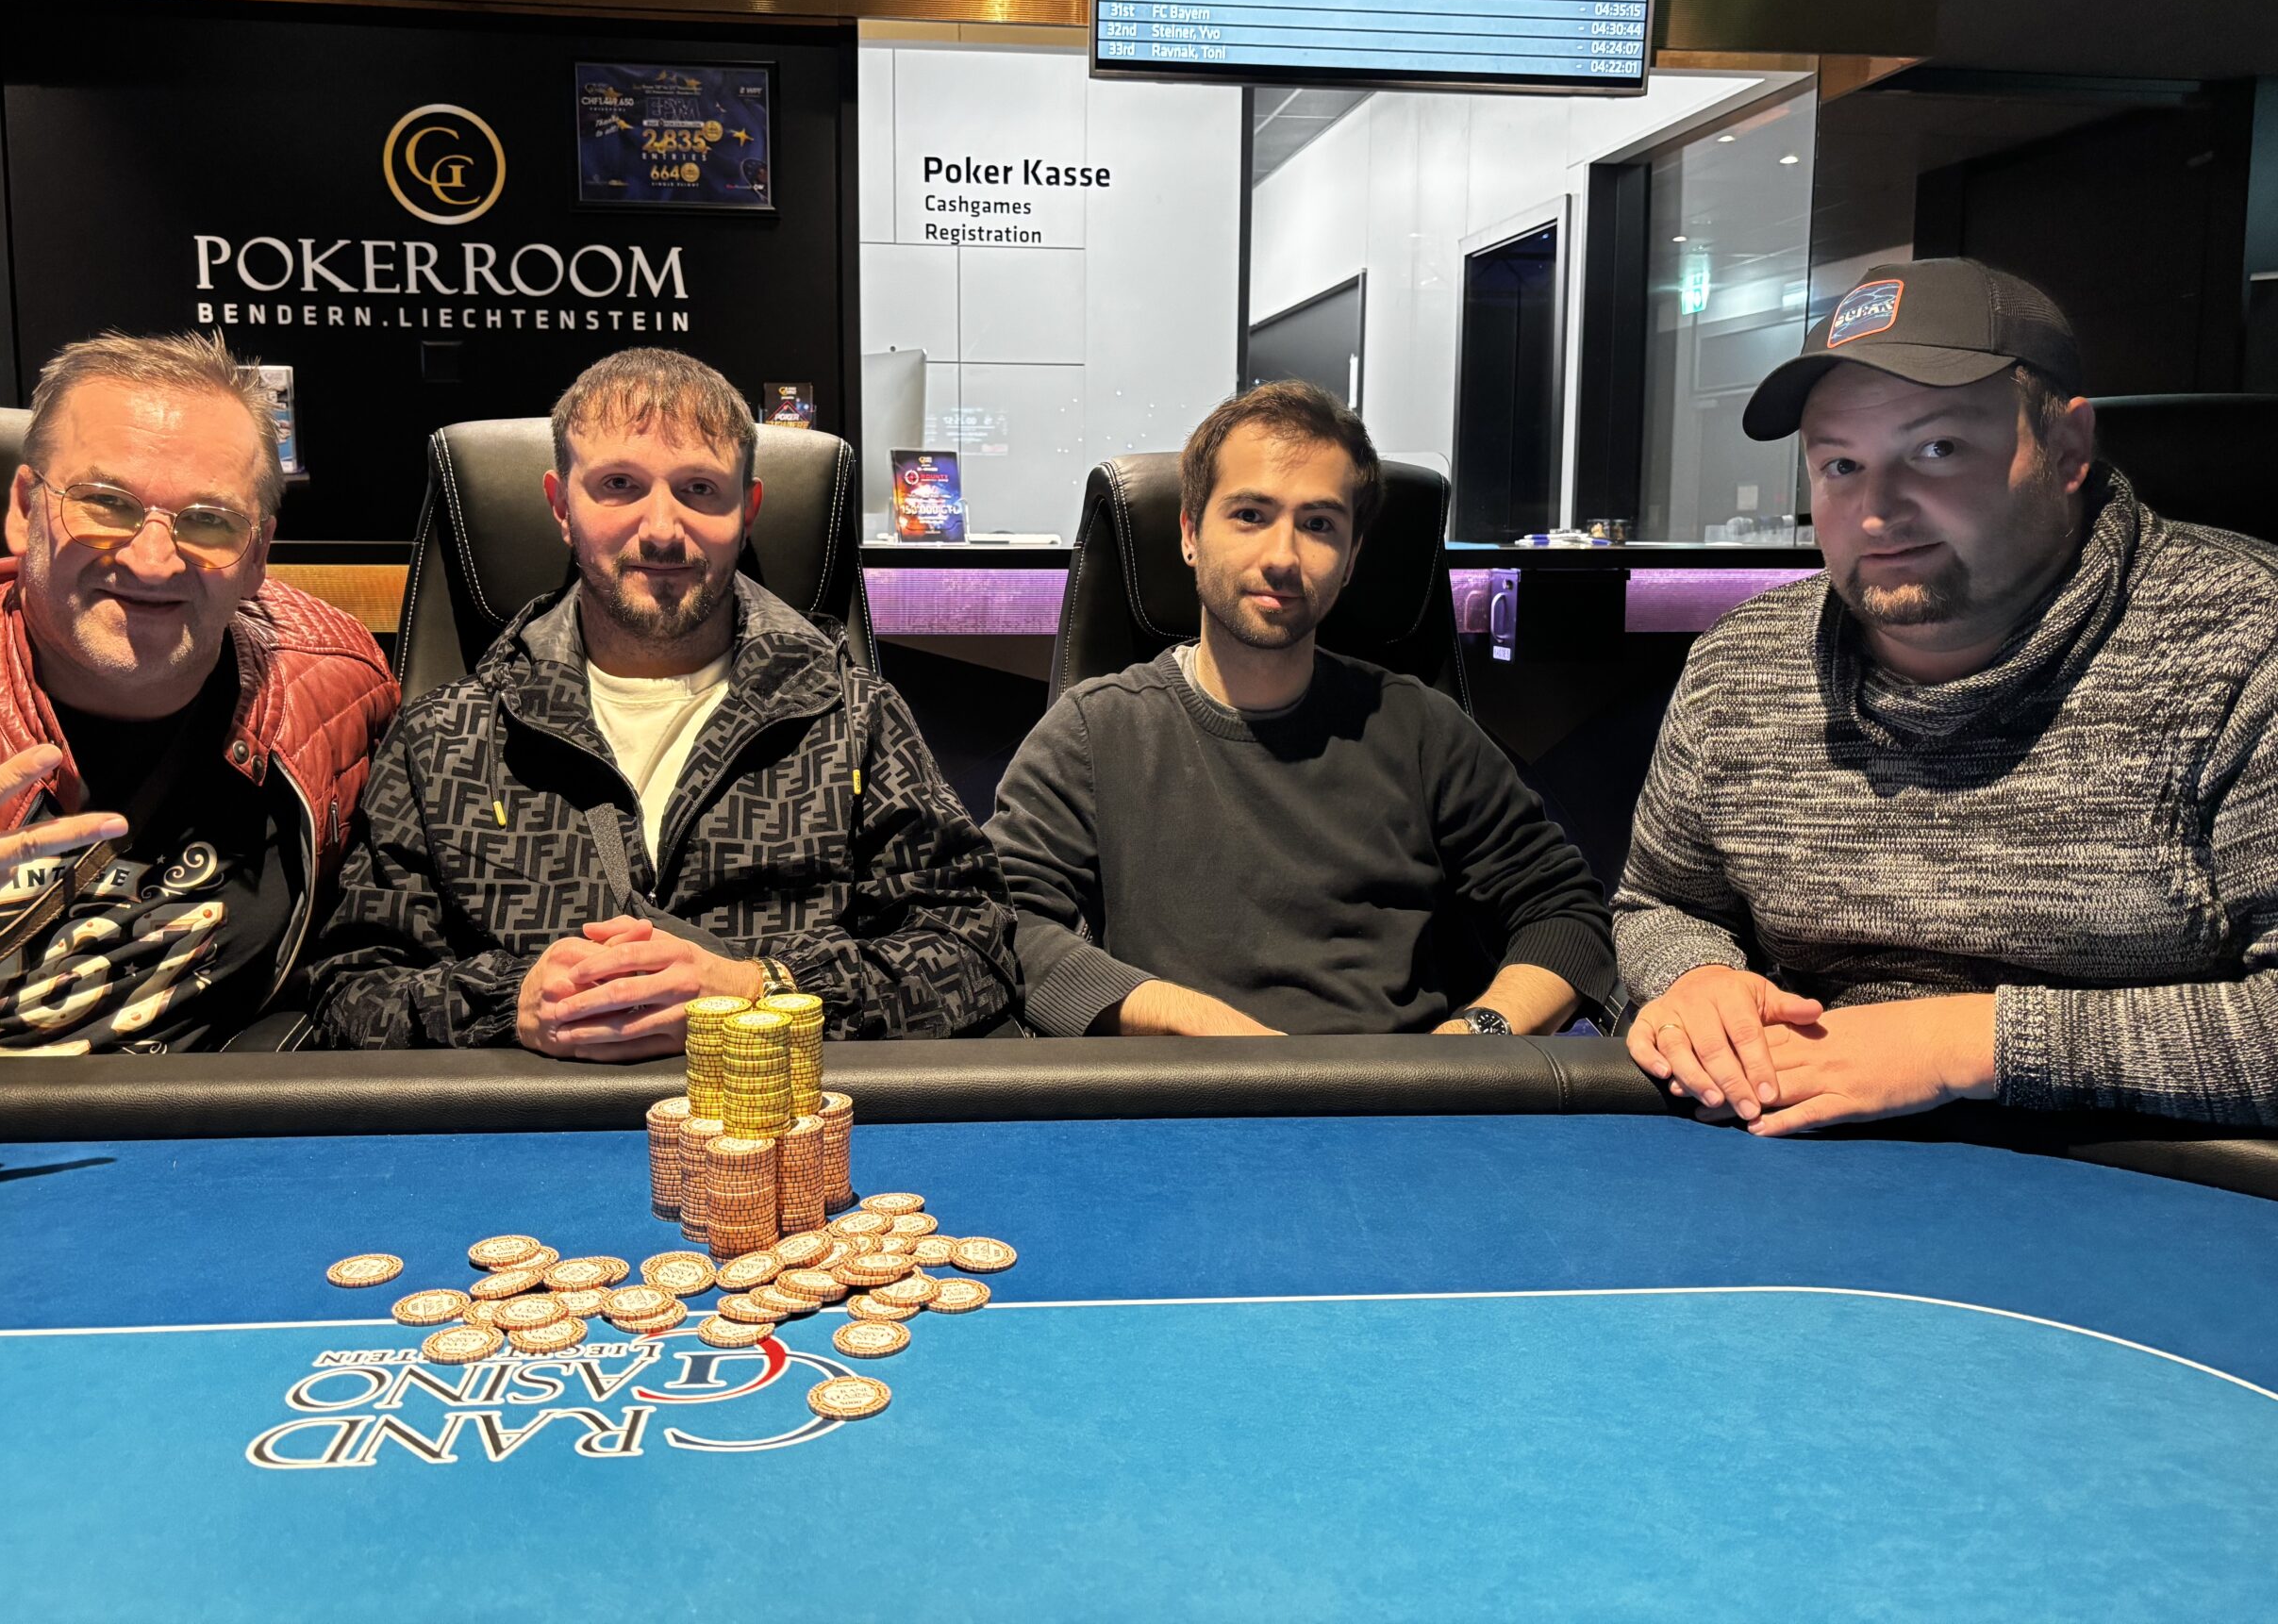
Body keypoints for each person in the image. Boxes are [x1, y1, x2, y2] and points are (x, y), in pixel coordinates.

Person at [1616, 258, 2278, 1134]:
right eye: (1841, 464)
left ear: (2067, 450)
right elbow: (1661, 903)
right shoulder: (1741, 663)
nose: (1878, 510)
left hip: (2141, 1175)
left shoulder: (2246, 646)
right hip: (1792, 1154)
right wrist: (1693, 978)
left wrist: (1966, 1046)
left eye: (1937, 449)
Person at [308, 347, 1018, 1055]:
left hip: (774, 1113)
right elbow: (351, 988)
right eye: (619, 484)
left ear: (748, 510)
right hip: (534, 1119)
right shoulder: (444, 737)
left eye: (700, 489)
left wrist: (758, 988)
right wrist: (510, 1004)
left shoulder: (854, 719)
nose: (661, 530)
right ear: (561, 506)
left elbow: (976, 948)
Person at [985, 379, 1617, 1037]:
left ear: (1351, 557)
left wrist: (1472, 1041)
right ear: (1190, 533)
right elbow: (1004, 923)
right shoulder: (1094, 731)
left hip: (1401, 1090)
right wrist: (1199, 1026)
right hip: (1184, 1086)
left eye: (1318, 525)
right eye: (1249, 515)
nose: (1282, 557)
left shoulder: (1424, 731)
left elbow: (1565, 914)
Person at [0, 331, 398, 1054]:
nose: (152, 562)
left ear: (256, 557)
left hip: (188, 1119)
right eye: (107, 504)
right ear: (24, 510)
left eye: (208, 520)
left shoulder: (338, 681)